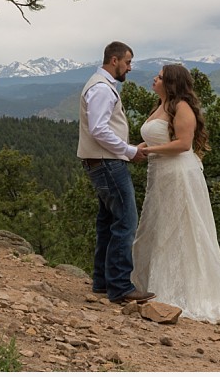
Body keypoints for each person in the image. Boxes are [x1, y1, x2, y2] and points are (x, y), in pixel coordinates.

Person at [131, 64, 220, 323]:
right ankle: (153, 285)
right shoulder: (160, 106)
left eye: (160, 77)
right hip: (161, 175)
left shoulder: (181, 107)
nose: (155, 79)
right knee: (159, 227)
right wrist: (141, 147)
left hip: (178, 175)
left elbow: (183, 144)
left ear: (172, 83)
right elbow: (161, 137)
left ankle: (184, 292)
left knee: (180, 229)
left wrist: (148, 152)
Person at [76, 41, 155, 304]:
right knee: (125, 222)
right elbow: (99, 129)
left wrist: (127, 149)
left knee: (108, 222)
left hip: (100, 162)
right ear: (114, 60)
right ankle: (120, 286)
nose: (129, 68)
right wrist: (129, 151)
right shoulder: (102, 89)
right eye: (128, 62)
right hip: (108, 163)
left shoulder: (99, 85)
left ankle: (102, 281)